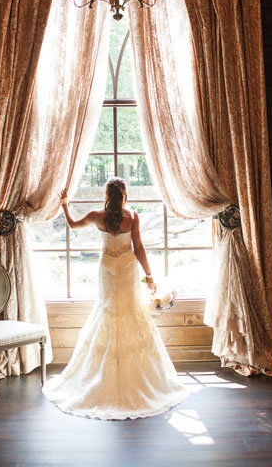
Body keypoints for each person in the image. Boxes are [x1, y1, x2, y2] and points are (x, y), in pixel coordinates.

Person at [42, 177, 187, 419]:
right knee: (130, 311)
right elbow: (138, 247)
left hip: (107, 267)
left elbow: (73, 225)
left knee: (107, 310)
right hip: (128, 268)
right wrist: (149, 275)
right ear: (125, 194)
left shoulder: (96, 215)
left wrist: (65, 204)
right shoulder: (132, 217)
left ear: (107, 195)